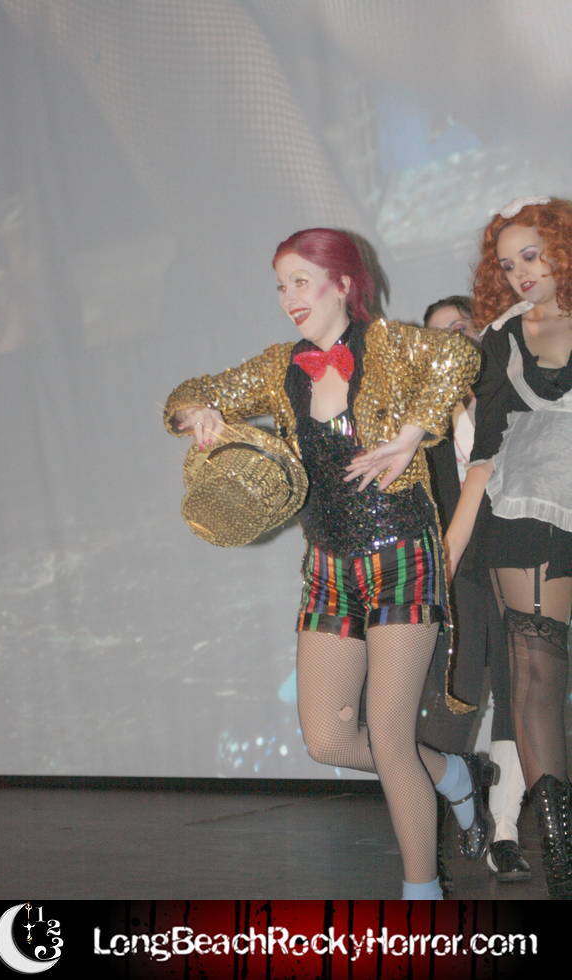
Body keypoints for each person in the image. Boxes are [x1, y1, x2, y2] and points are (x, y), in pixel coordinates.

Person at [164, 227, 484, 900]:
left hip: (403, 553)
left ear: (343, 283)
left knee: (391, 739)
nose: (288, 297)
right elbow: (188, 391)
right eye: (281, 285)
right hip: (330, 568)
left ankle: (421, 894)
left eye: (301, 281)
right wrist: (200, 413)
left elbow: (459, 355)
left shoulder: (390, 344)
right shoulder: (279, 365)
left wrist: (410, 436)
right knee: (329, 741)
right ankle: (453, 774)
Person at [445, 197, 572, 899]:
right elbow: (485, 453)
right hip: (525, 510)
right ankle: (561, 857)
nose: (520, 272)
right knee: (534, 670)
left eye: (531, 254)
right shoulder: (500, 337)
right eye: (506, 264)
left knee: (539, 673)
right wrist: (452, 544)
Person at [418, 295, 530, 884]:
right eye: (438, 335)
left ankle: (505, 832)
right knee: (451, 697)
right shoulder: (421, 421)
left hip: (515, 558)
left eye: (460, 327)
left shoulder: (512, 394)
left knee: (518, 693)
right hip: (456, 570)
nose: (452, 340)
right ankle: (455, 811)